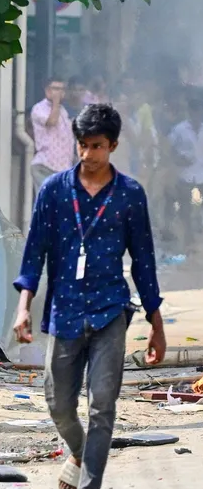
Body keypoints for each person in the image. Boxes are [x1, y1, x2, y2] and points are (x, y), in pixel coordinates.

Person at [11, 104, 166, 489]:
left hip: (109, 312)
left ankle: (89, 483)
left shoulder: (130, 195)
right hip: (63, 311)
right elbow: (34, 253)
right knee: (58, 405)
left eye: (95, 146)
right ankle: (79, 453)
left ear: (112, 145)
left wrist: (156, 323)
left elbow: (143, 261)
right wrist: (23, 308)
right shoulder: (54, 191)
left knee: (102, 406)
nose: (86, 155)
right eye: (81, 145)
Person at [167, 98, 203, 252]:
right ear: (190, 112)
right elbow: (169, 149)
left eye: (199, 112)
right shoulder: (179, 129)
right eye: (194, 112)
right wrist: (178, 159)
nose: (197, 115)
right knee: (185, 208)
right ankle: (188, 239)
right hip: (185, 174)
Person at [30, 77, 74, 195]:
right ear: (47, 91)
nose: (59, 92)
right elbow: (52, 122)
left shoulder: (63, 111)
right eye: (56, 89)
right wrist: (55, 102)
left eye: (62, 89)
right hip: (45, 166)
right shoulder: (39, 108)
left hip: (63, 168)